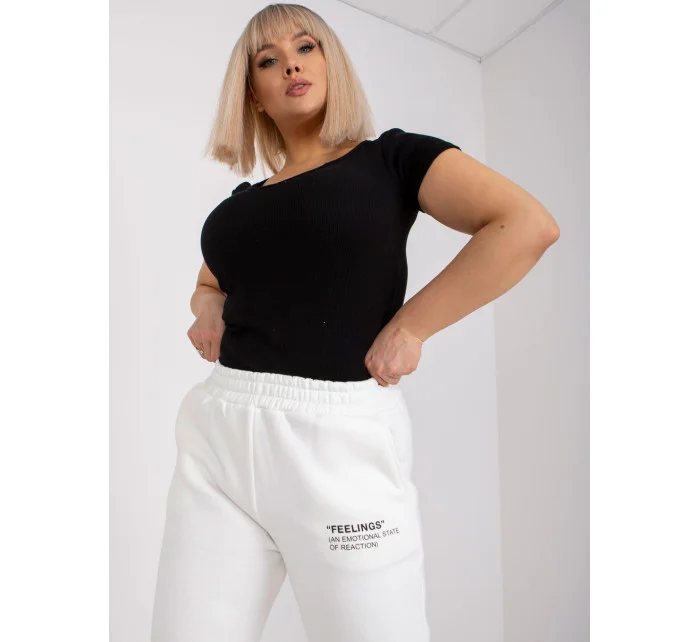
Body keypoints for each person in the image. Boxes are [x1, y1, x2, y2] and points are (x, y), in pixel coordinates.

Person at [150, 4, 560, 642]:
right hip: (218, 435)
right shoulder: (241, 205)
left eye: (306, 47)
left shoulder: (392, 159)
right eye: (268, 59)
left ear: (330, 63)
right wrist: (207, 308)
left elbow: (525, 225)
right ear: (253, 93)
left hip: (337, 440)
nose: (291, 64)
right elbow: (210, 282)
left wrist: (412, 325)